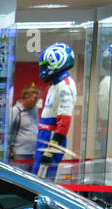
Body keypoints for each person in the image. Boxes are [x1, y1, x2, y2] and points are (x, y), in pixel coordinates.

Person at [33, 42, 77, 180]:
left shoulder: (64, 86)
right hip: (45, 137)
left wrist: (50, 150)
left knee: (42, 183)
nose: (43, 70)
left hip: (50, 139)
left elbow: (64, 122)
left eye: (45, 65)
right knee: (37, 179)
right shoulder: (56, 85)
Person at [9, 84, 40, 166]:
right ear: (26, 96)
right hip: (20, 153)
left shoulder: (35, 109)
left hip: (34, 152)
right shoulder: (16, 111)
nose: (36, 101)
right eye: (34, 98)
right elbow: (8, 131)